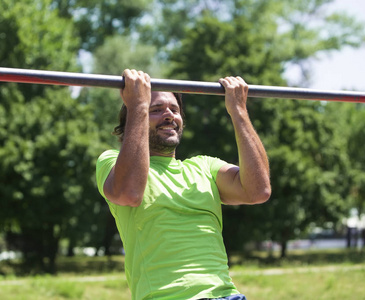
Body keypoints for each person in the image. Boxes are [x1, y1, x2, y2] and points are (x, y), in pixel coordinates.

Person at [96, 69, 271, 300]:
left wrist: (238, 111)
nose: (169, 115)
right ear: (134, 119)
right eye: (156, 109)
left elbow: (258, 190)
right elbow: (128, 193)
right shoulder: (111, 162)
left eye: (175, 110)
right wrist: (138, 105)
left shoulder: (204, 167)